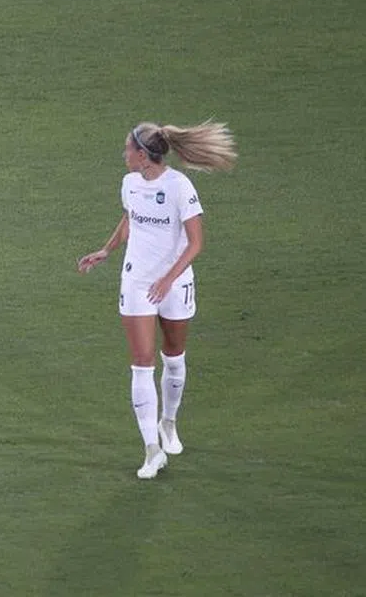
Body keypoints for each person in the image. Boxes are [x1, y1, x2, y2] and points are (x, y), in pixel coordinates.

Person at [77, 121, 237, 479]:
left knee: (174, 357)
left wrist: (168, 279)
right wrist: (107, 249)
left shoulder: (179, 187)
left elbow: (196, 242)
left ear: (143, 155)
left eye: (127, 149)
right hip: (137, 281)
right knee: (141, 363)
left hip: (175, 283)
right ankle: (152, 450)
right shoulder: (130, 184)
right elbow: (130, 218)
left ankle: (168, 422)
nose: (123, 155)